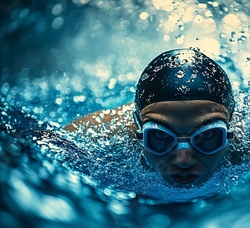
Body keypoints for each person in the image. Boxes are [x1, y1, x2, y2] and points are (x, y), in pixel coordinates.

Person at [65, 48, 236, 188]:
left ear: (230, 128)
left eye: (208, 135)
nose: (184, 160)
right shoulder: (106, 134)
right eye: (160, 135)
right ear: (137, 127)